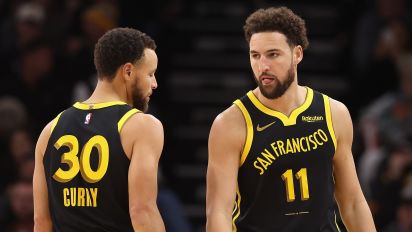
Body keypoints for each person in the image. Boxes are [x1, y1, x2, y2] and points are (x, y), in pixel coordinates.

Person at [206, 7, 376, 231]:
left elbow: (353, 202)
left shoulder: (333, 113)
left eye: (273, 54)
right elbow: (218, 211)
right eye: (255, 55)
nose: (262, 66)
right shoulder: (230, 123)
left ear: (297, 54)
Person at [33, 27, 165, 231]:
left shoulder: (50, 129)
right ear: (128, 71)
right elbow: (142, 211)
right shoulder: (142, 126)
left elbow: (41, 221)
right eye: (150, 74)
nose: (154, 84)